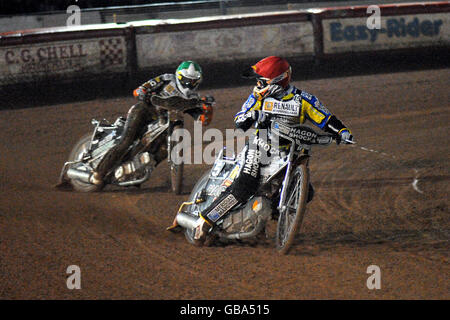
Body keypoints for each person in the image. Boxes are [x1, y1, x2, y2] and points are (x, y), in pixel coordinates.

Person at [193, 56, 353, 240]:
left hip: (290, 151)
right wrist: (252, 115)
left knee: (306, 193)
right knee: (246, 183)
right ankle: (206, 220)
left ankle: (266, 216)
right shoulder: (258, 98)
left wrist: (342, 131)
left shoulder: (303, 100)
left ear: (277, 82)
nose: (257, 85)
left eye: (261, 81)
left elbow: (326, 119)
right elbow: (240, 120)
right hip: (259, 145)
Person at [90, 60, 214, 186]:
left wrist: (208, 108)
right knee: (126, 141)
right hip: (144, 111)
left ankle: (138, 171)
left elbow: (203, 120)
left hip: (167, 122)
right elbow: (140, 89)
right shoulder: (166, 79)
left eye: (193, 82)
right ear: (179, 76)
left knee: (164, 149)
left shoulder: (193, 99)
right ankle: (99, 173)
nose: (189, 85)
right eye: (187, 81)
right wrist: (143, 92)